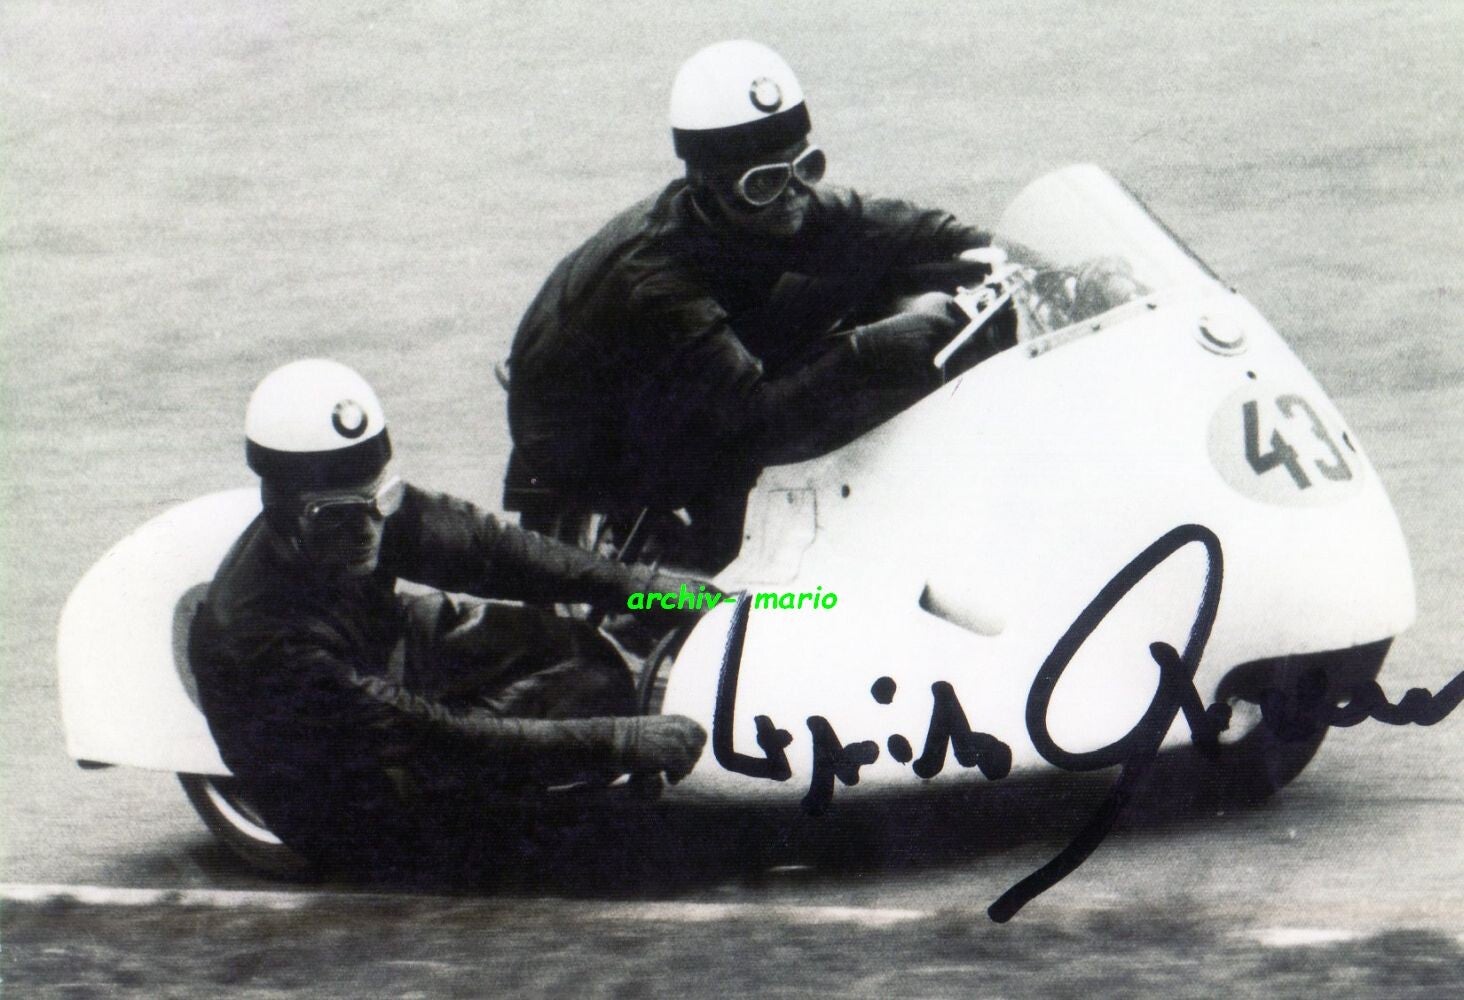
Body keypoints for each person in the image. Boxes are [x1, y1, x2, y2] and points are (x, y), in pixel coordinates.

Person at [504, 39, 1012, 572]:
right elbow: (755, 422)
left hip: (671, 358)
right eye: (765, 182)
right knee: (748, 453)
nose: (794, 195)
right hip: (587, 433)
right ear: (706, 183)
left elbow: (895, 226)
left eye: (805, 167)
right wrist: (868, 352)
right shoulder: (654, 279)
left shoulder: (763, 207)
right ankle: (708, 570)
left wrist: (1005, 248)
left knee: (887, 266)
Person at [188, 359, 710, 876]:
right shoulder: (263, 638)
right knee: (610, 834)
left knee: (589, 661)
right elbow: (434, 735)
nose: (370, 530)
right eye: (340, 515)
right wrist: (619, 740)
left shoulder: (346, 515)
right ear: (281, 509)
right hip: (356, 795)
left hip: (384, 661)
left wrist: (647, 592)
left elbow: (489, 549)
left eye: (382, 500)